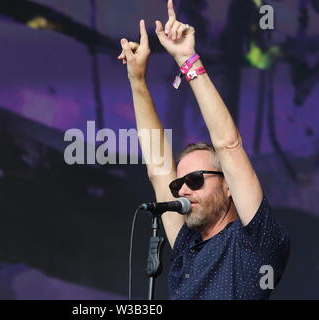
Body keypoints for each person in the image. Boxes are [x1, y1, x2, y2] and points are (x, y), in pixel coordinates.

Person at [117, 0, 290, 300]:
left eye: (195, 180)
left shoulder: (255, 241)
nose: (183, 190)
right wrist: (138, 81)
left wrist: (188, 60)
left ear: (228, 186)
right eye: (179, 183)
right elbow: (159, 170)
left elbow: (228, 144)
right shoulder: (186, 245)